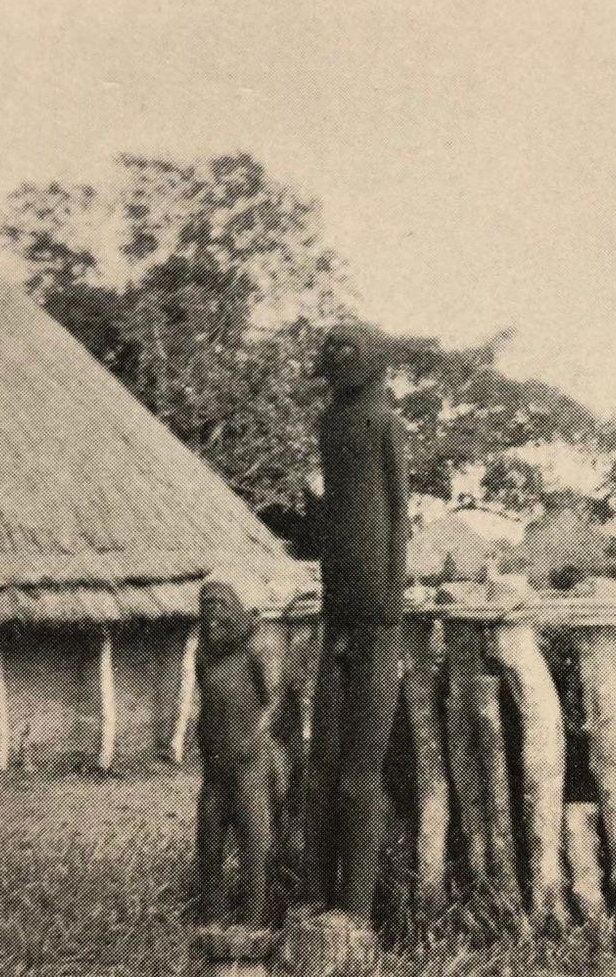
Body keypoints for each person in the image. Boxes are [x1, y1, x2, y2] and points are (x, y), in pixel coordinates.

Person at [303, 323, 413, 929]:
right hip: (338, 601)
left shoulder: (384, 423)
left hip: (375, 605)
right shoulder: (330, 424)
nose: (339, 357)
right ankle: (320, 894)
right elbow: (333, 515)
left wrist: (391, 592)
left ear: (374, 359)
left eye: (351, 348)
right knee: (322, 766)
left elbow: (398, 512)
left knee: (360, 772)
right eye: (332, 347)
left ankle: (358, 909)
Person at [194, 579, 286, 927]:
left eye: (220, 605)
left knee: (253, 842)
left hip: (249, 766)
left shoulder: (255, 647)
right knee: (209, 840)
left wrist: (255, 739)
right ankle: (211, 917)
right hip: (214, 771)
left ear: (235, 609)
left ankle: (252, 920)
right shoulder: (204, 652)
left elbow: (273, 700)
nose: (212, 613)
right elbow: (208, 699)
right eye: (206, 606)